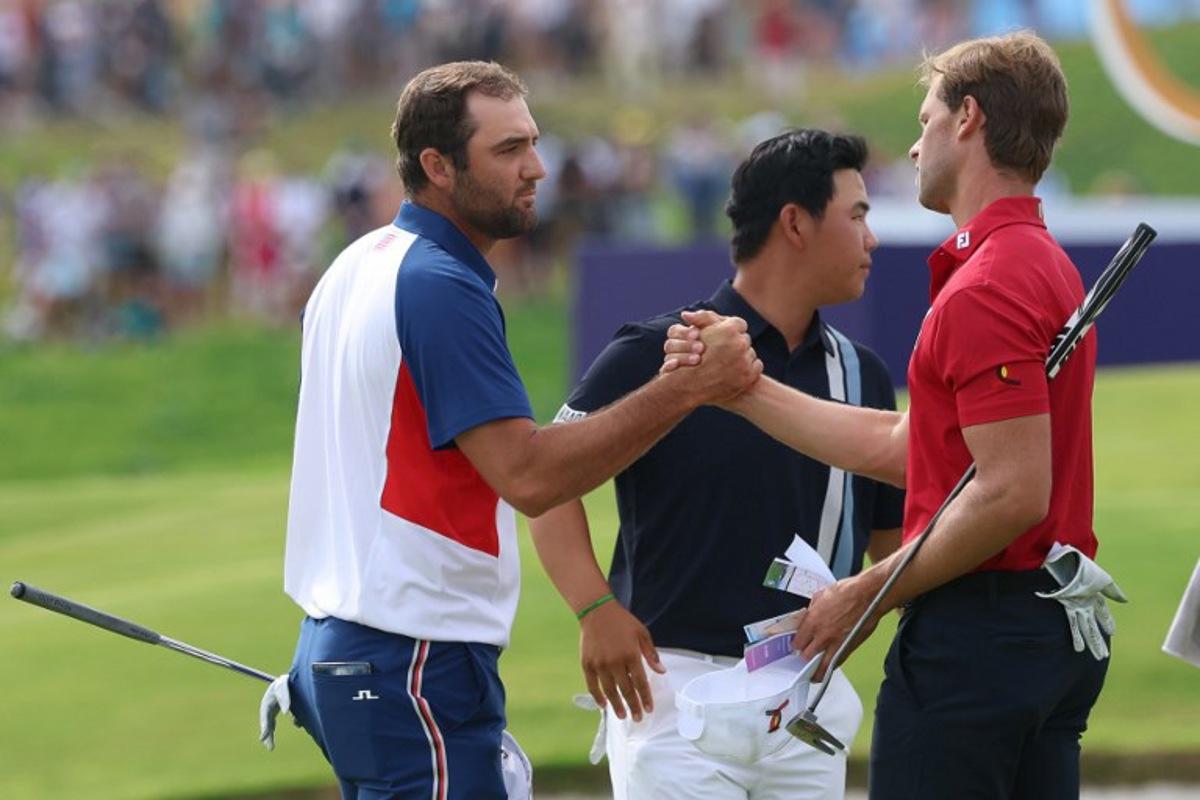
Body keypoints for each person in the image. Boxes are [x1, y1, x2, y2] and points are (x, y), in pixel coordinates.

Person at [280, 61, 760, 800]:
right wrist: (686, 387)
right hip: (413, 656)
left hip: (346, 645)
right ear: (437, 166)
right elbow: (530, 476)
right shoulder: (439, 285)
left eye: (533, 143)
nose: (536, 168)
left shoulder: (358, 263)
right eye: (507, 150)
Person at [665, 32, 1120, 799]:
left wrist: (865, 592)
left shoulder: (990, 285)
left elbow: (1011, 492)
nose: (914, 148)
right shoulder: (1033, 262)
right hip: (1037, 632)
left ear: (968, 119)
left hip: (980, 641)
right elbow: (913, 447)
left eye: (926, 118)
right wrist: (745, 388)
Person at [528, 129, 905, 799]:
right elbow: (548, 484)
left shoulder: (862, 376)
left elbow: (890, 541)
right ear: (795, 223)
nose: (871, 238)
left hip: (803, 706)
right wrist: (594, 610)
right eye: (858, 215)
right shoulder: (654, 352)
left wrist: (865, 605)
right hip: (671, 699)